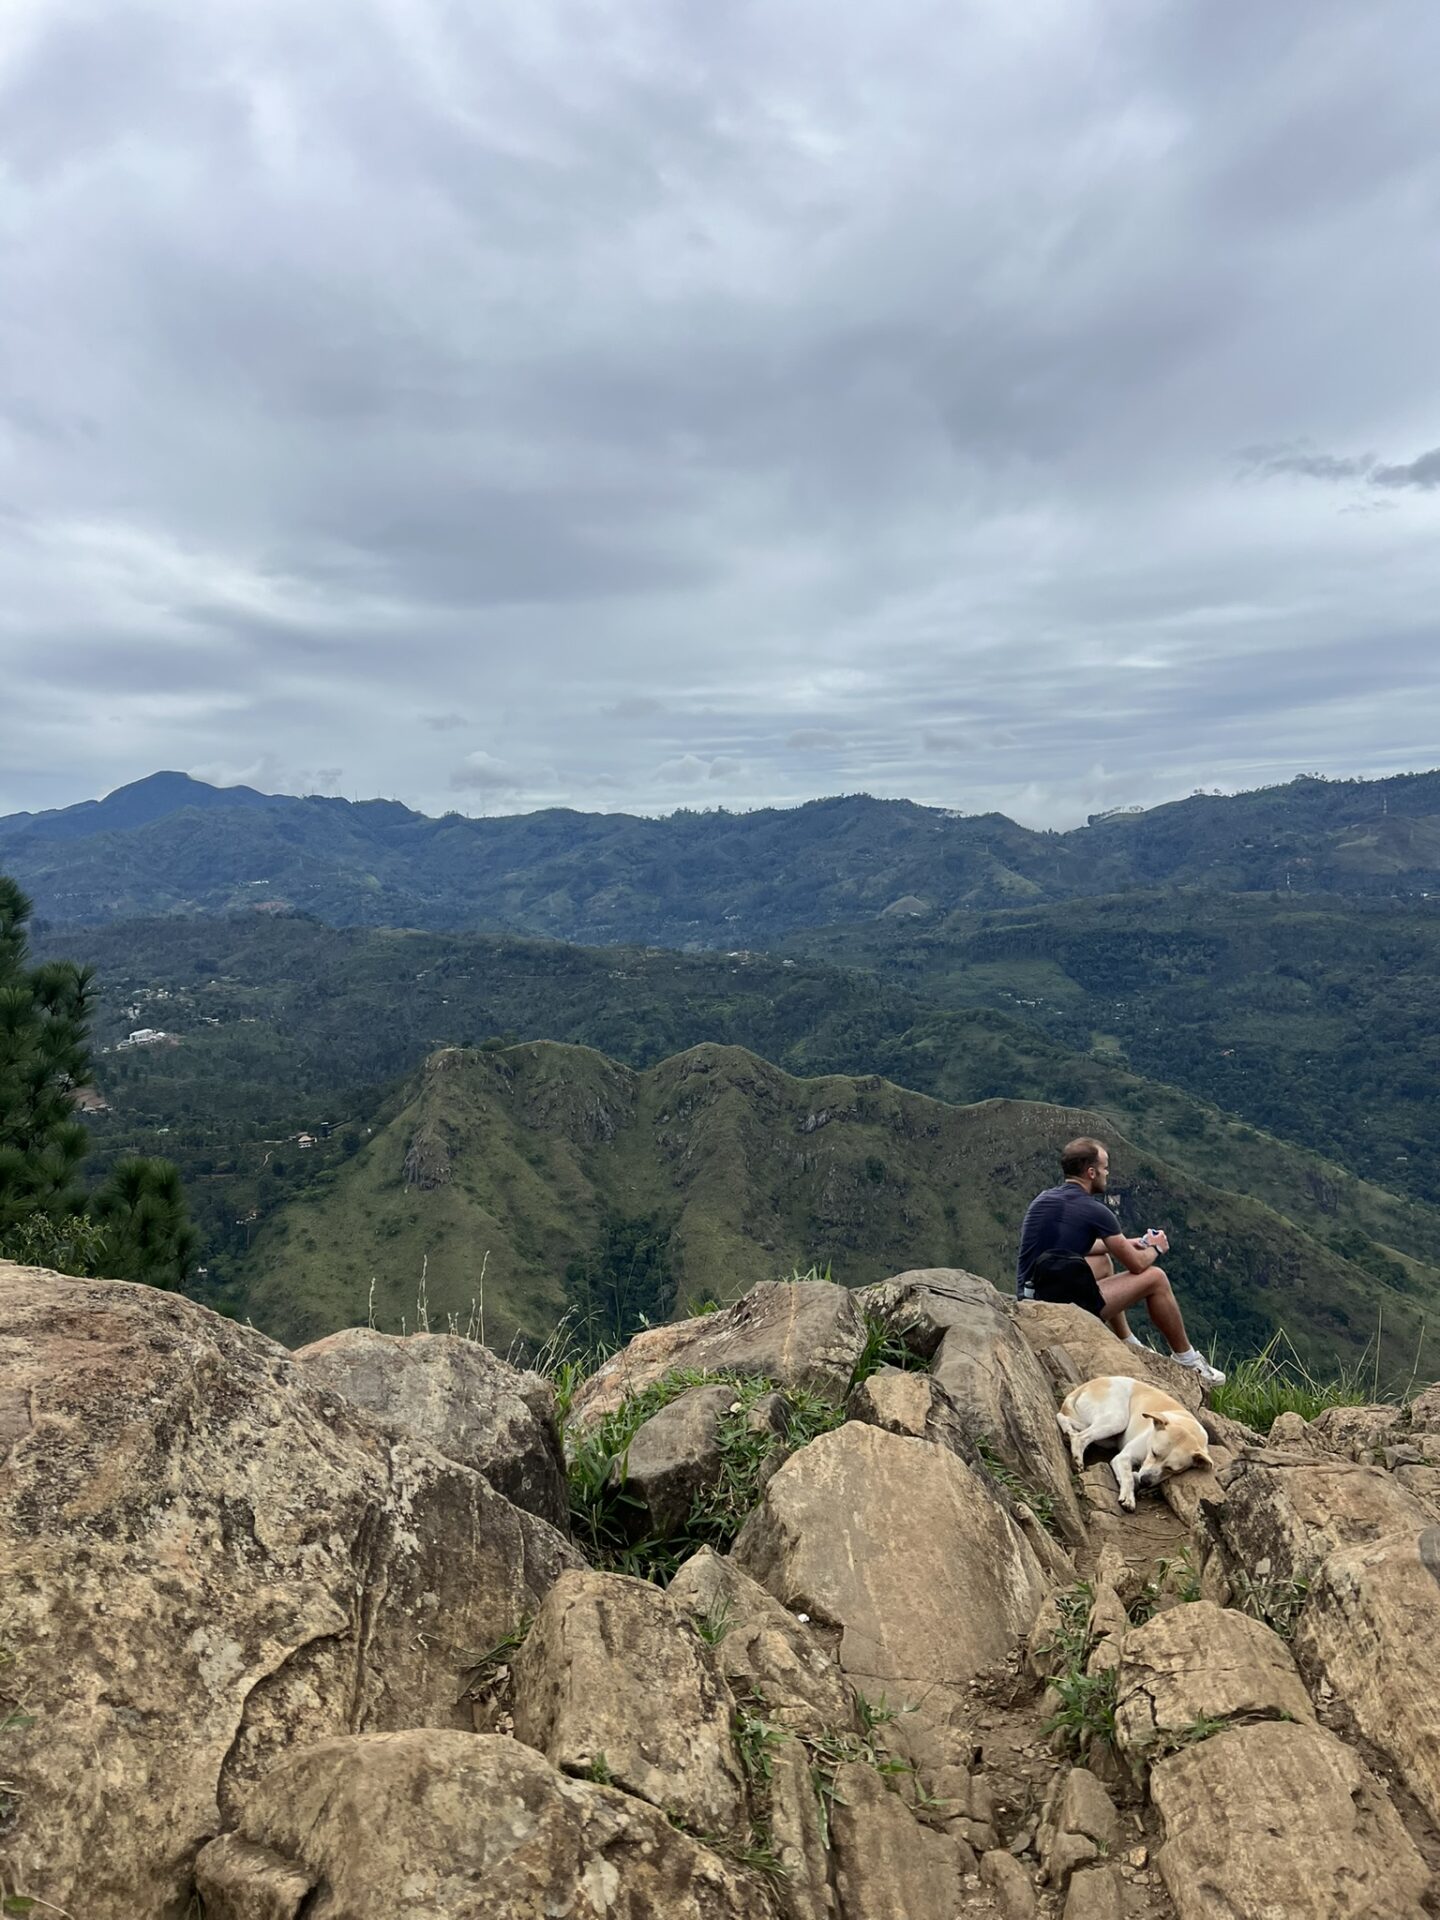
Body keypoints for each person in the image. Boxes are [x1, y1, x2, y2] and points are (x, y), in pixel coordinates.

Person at [1016, 1136, 1225, 1386]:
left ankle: (1127, 1341)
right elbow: (1137, 1265)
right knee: (1156, 1278)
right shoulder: (1096, 1211)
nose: (1107, 1173)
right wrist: (1156, 1249)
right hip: (1058, 1311)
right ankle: (1188, 1360)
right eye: (1104, 1168)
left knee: (1104, 1262)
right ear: (1091, 1172)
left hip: (1029, 1297)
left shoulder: (1043, 1200)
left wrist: (1129, 1242)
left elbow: (1070, 1245)